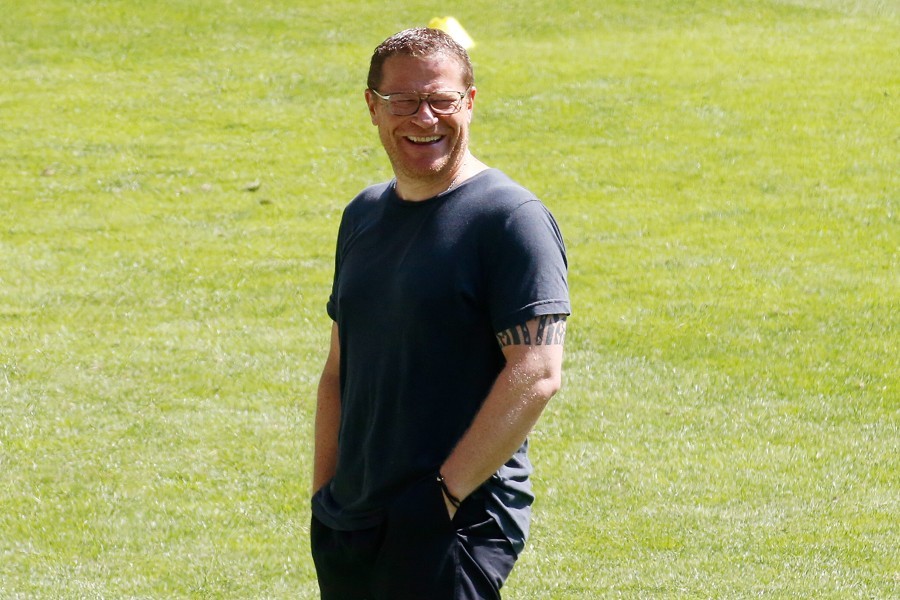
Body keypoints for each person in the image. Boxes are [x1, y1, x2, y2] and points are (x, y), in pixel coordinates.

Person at [310, 26, 570, 599]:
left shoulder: (509, 220)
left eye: (442, 100)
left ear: (469, 103)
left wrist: (441, 497)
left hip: (451, 522)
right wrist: (324, 494)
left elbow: (537, 373)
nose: (423, 118)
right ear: (372, 107)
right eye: (403, 101)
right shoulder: (363, 216)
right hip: (351, 521)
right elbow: (338, 368)